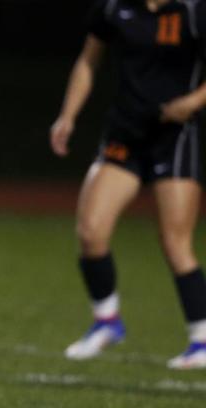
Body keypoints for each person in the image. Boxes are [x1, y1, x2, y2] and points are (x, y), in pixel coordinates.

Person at [50, 0, 206, 369]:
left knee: (175, 242)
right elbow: (89, 60)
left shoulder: (194, 10)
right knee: (90, 231)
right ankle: (107, 322)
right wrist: (67, 116)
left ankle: (201, 341)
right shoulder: (113, 7)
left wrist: (193, 102)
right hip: (126, 132)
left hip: (175, 134)